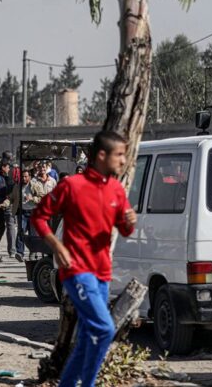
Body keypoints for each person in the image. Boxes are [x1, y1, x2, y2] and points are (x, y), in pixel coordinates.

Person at [30, 131, 137, 387]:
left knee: (89, 335)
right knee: (105, 329)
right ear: (102, 155)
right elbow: (39, 217)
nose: (124, 161)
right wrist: (57, 247)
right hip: (77, 271)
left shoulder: (116, 189)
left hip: (102, 273)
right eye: (119, 155)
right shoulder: (72, 186)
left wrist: (129, 222)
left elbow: (124, 230)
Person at [10, 169, 48, 262]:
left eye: (26, 176)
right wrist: (6, 203)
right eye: (22, 176)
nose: (24, 178)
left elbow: (42, 197)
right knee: (21, 232)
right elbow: (12, 197)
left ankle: (33, 252)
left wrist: (32, 198)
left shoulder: (35, 185)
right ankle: (20, 252)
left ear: (29, 177)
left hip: (33, 212)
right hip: (22, 212)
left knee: (33, 234)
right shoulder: (17, 187)